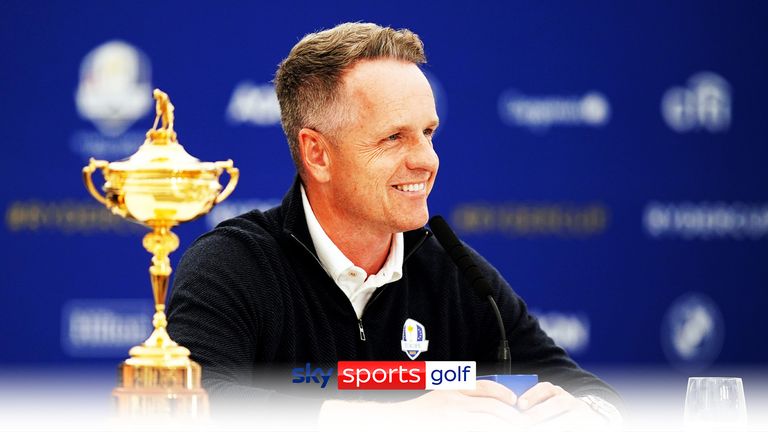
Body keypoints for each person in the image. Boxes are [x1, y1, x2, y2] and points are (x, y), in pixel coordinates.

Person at [167, 22, 622, 428]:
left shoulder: (457, 274)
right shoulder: (231, 265)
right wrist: (389, 420)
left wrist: (590, 414)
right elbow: (193, 404)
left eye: (428, 133)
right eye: (393, 138)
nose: (427, 160)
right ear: (317, 154)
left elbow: (591, 393)